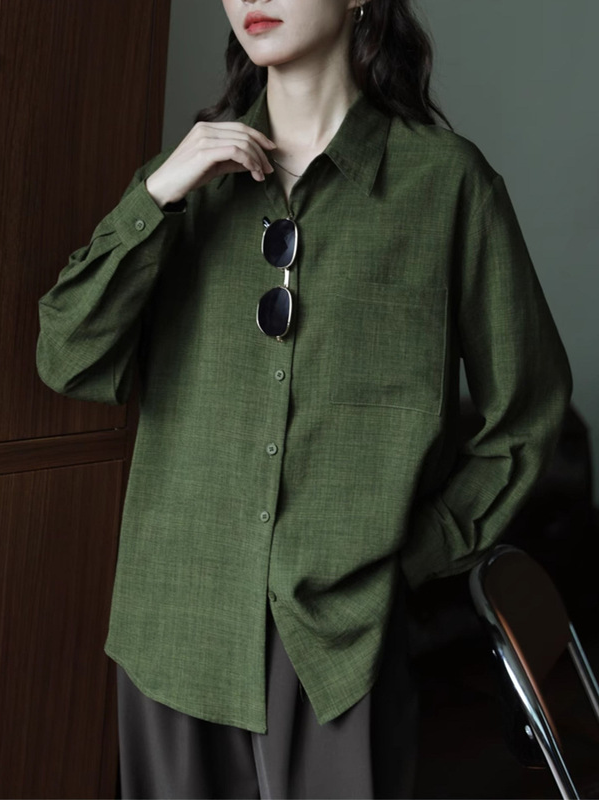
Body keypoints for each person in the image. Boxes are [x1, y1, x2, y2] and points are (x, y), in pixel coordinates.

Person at [36, 0, 572, 797]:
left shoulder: (445, 183)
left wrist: (415, 555)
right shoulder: (182, 186)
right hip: (173, 629)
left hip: (341, 647)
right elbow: (67, 358)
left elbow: (527, 414)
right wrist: (159, 193)